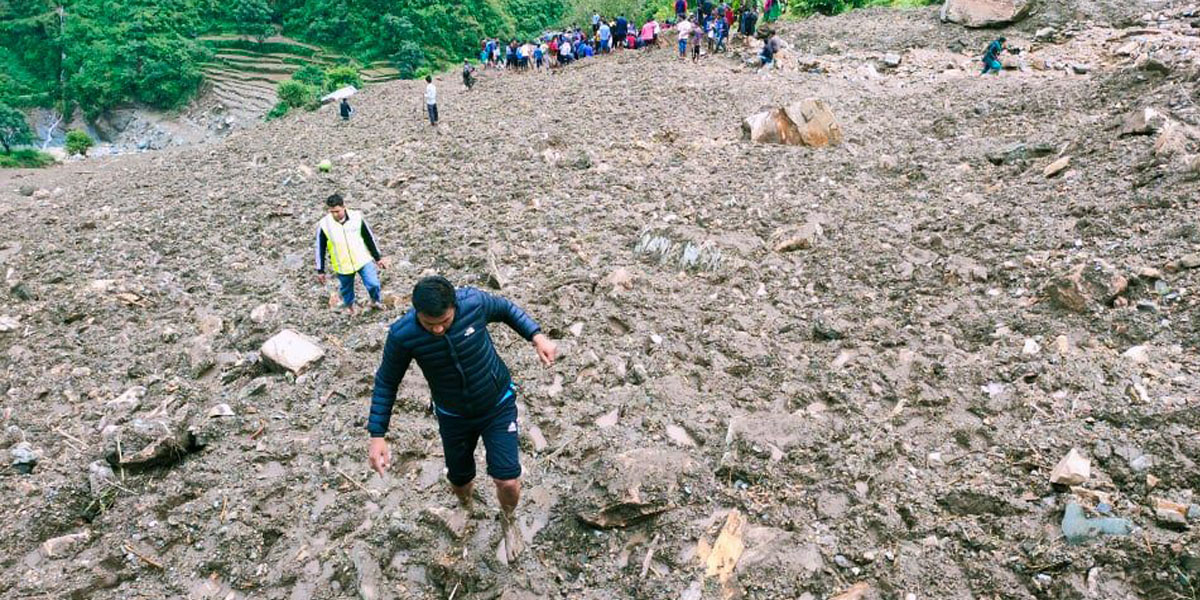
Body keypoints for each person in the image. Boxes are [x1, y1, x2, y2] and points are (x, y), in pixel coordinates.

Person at [367, 276, 558, 563]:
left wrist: (536, 335)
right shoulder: (403, 335)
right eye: (430, 324)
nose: (439, 329)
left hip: (497, 404)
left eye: (444, 320)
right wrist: (377, 434)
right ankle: (465, 504)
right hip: (453, 415)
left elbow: (506, 309)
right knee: (459, 478)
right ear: (416, 312)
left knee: (507, 479)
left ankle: (508, 518)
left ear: (454, 306)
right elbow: (386, 382)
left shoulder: (473, 302)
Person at [315, 194, 387, 314]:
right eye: (332, 212)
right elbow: (320, 248)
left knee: (373, 284)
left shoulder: (356, 217)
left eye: (337, 211)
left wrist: (378, 258)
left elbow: (368, 237)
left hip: (362, 259)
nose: (335, 215)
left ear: (344, 207)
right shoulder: (324, 224)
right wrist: (320, 270)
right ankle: (350, 308)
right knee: (346, 290)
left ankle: (375, 301)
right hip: (342, 264)